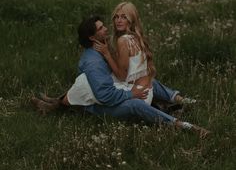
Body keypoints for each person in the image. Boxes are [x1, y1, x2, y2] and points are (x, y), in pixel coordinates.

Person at [32, 14, 210, 138]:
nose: (106, 29)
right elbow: (105, 95)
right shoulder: (93, 63)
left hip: (107, 90)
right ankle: (184, 126)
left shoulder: (101, 49)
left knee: (145, 81)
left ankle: (184, 101)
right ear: (92, 37)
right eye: (101, 28)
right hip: (100, 107)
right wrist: (130, 93)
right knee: (135, 104)